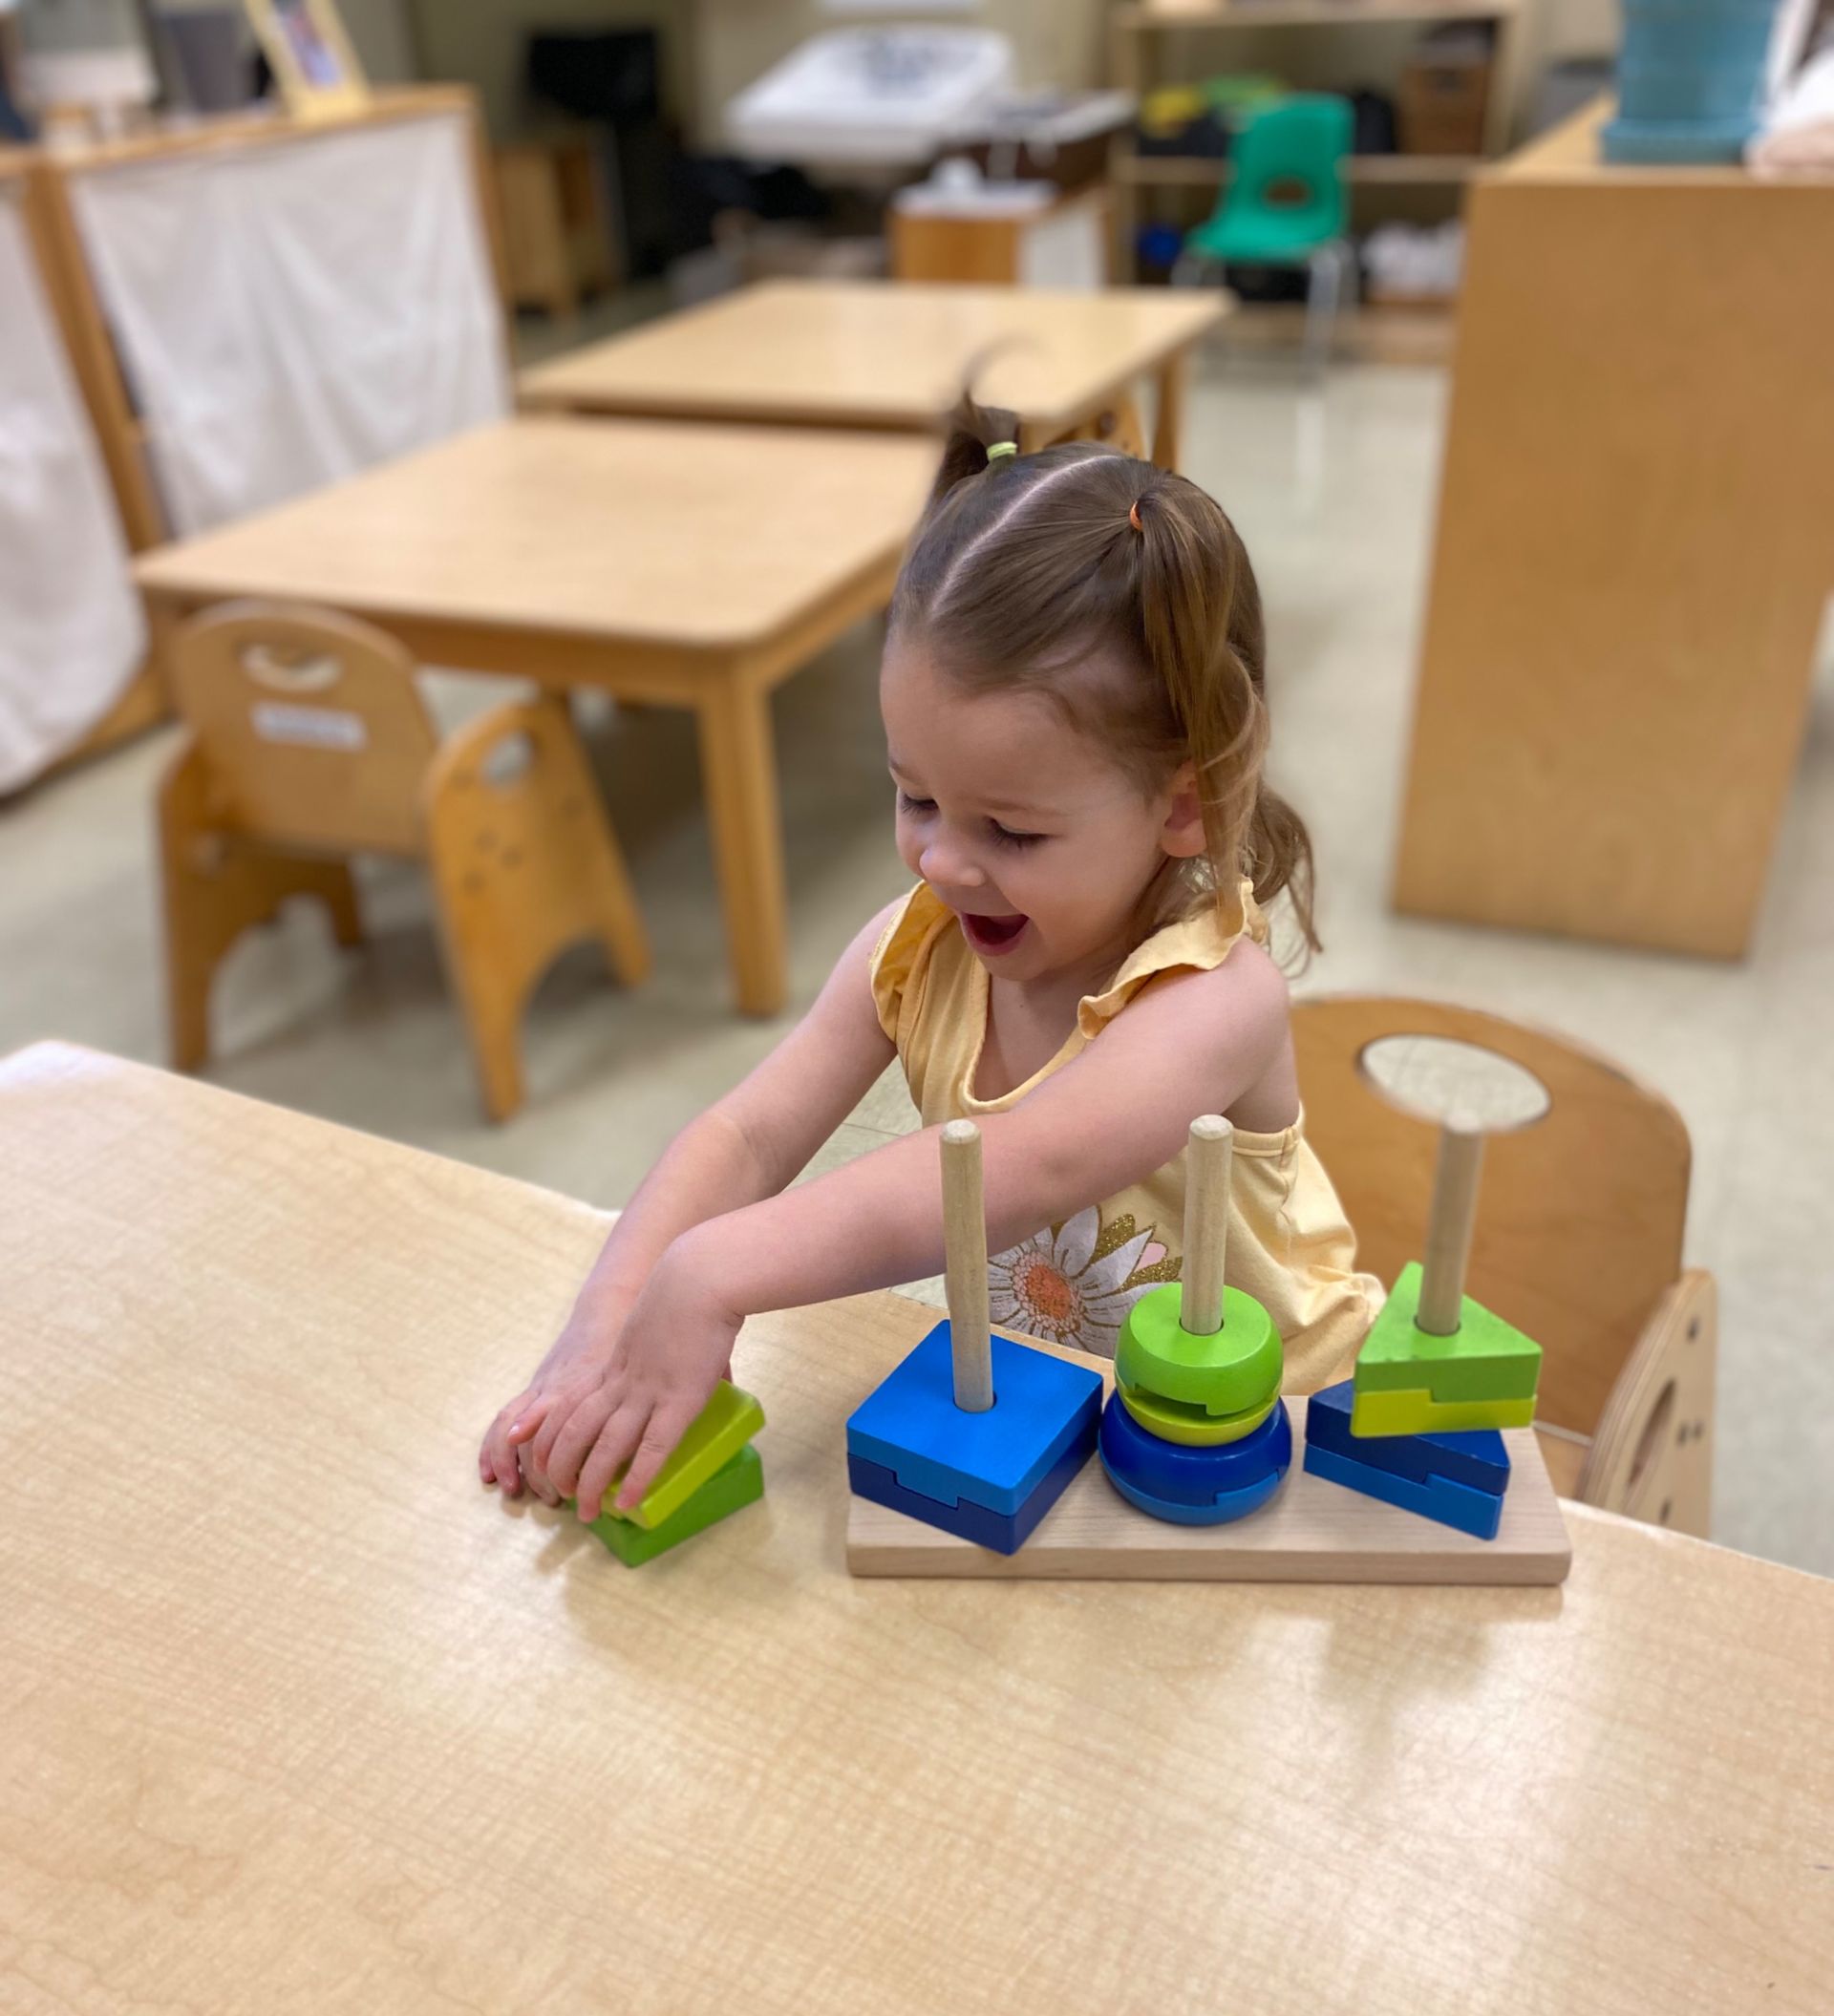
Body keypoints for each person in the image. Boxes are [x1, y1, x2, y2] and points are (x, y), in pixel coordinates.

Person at [480, 400, 1381, 1523]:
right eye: (916, 797)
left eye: (1012, 830)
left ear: (1183, 802)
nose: (944, 863)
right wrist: (607, 1319)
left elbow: (1027, 1169)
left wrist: (714, 1273)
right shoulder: (920, 948)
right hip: (1062, 1425)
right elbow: (748, 1133)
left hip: (1276, 1448)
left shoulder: (1213, 1000)